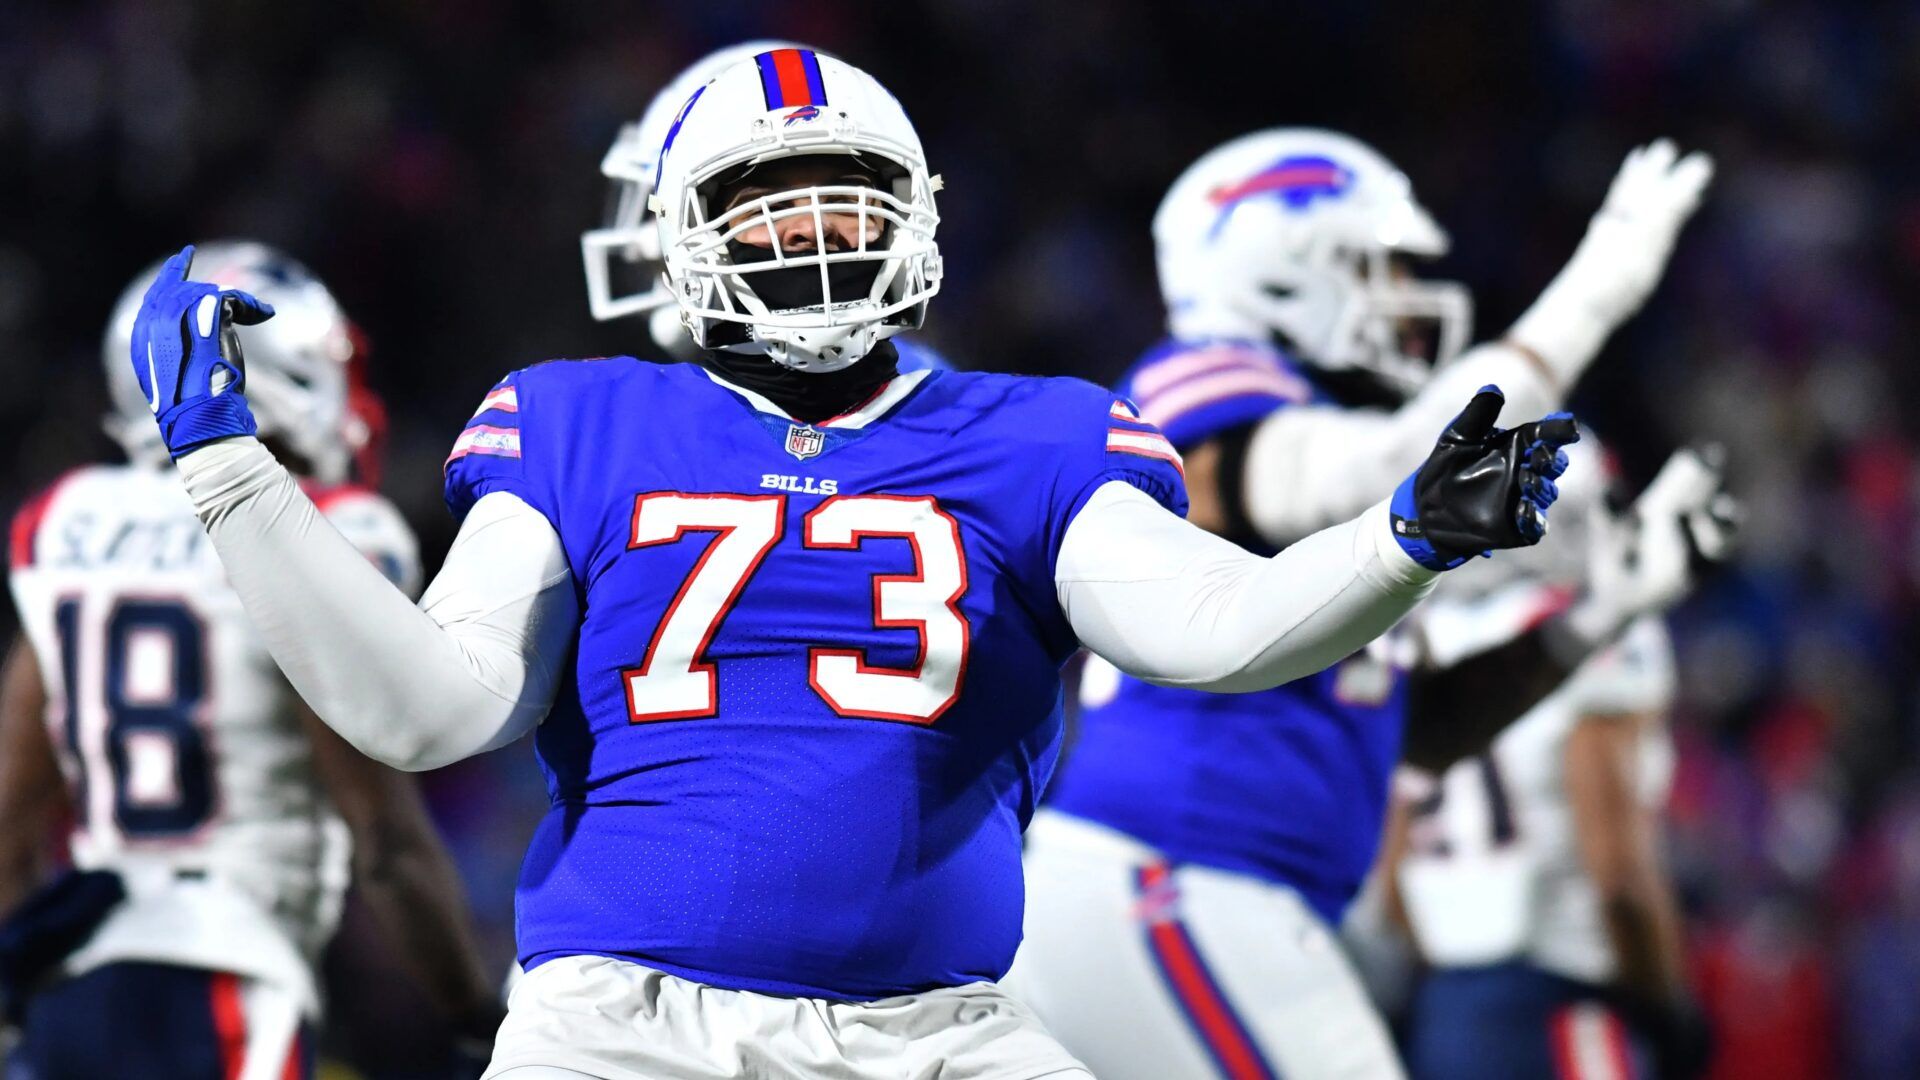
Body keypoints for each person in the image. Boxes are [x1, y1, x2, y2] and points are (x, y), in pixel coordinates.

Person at [127, 52, 1576, 1079]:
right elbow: (428, 713)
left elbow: (1211, 627)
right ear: (688, 237)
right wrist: (229, 466)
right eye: (773, 202)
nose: (818, 231)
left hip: (938, 1030)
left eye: (848, 194)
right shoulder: (583, 414)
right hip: (619, 1028)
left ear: (918, 213)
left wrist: (1405, 541)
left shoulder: (1038, 433)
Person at [1009, 129, 1719, 1079]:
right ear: (1281, 267)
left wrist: (1599, 616)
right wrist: (1598, 287)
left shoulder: (1319, 462)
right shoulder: (1202, 388)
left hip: (1206, 895)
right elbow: (1387, 469)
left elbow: (1409, 730)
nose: (1404, 297)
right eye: (1378, 266)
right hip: (1172, 878)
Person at [0, 242, 502, 1079]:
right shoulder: (332, 525)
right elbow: (382, 838)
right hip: (229, 970)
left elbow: (11, 821)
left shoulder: (65, 519)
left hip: (75, 983)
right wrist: (471, 1014)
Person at [1389, 451, 1723, 1080]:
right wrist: (1669, 1005)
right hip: (1563, 1007)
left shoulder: (1434, 636)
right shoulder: (1592, 634)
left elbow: (1387, 870)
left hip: (1445, 1010)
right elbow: (1618, 871)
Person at [583, 40, 953, 373]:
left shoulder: (945, 407)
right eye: (763, 206)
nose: (808, 230)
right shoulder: (623, 409)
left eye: (843, 199)